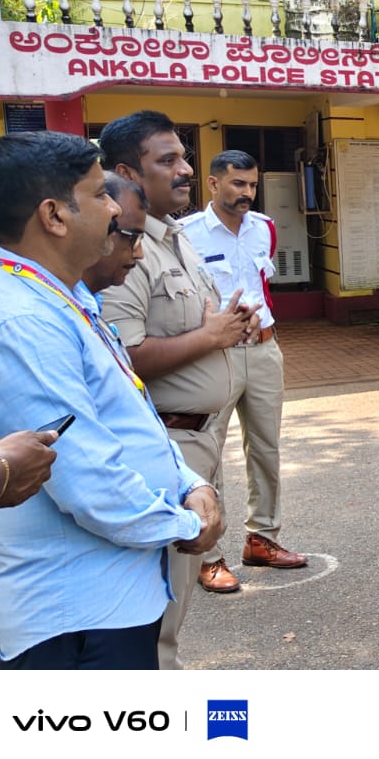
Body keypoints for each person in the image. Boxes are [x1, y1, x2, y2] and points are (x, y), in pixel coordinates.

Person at [0, 130, 223, 669]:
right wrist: (188, 524)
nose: (115, 206)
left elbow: (128, 415)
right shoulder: (23, 321)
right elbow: (85, 477)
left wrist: (193, 483)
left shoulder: (63, 296)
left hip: (111, 602)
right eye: (99, 194)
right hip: (79, 619)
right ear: (54, 215)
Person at [99, 112, 255, 618]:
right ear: (127, 172)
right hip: (169, 441)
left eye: (184, 157)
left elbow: (195, 328)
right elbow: (121, 359)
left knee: (176, 605)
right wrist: (210, 336)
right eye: (168, 161)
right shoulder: (124, 250)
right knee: (160, 612)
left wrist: (229, 328)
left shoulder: (174, 235)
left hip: (202, 438)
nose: (186, 170)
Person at [181, 150, 309, 582]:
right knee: (207, 453)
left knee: (266, 448)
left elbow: (261, 285)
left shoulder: (264, 229)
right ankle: (207, 553)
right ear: (213, 184)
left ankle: (263, 538)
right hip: (215, 355)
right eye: (237, 184)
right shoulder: (187, 235)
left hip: (264, 349)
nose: (247, 193)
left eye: (252, 185)